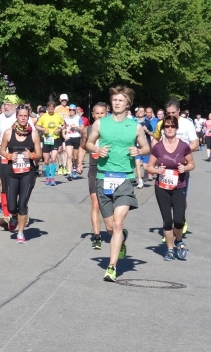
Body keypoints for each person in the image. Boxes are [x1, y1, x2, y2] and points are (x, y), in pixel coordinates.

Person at [86, 86, 150, 282]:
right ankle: (121, 238)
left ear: (128, 103)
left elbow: (146, 148)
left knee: (118, 223)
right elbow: (88, 143)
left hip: (125, 178)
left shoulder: (135, 126)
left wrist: (139, 151)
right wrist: (97, 149)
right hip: (104, 177)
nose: (116, 103)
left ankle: (111, 267)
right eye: (114, 100)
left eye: (121, 100)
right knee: (109, 227)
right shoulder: (100, 123)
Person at [144, 115, 194, 261]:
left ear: (176, 128)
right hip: (162, 187)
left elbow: (192, 164)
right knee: (167, 221)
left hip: (179, 186)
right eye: (167, 126)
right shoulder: (158, 147)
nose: (170, 128)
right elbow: (149, 167)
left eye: (172, 126)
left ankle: (179, 240)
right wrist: (156, 171)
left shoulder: (183, 146)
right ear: (163, 129)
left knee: (178, 220)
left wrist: (185, 168)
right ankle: (170, 249)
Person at [0, 106, 42, 243]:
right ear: (16, 117)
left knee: (22, 204)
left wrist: (32, 155)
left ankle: (20, 233)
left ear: (28, 117)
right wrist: (8, 155)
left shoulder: (33, 134)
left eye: (25, 116)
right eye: (21, 116)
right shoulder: (8, 133)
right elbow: (2, 150)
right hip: (11, 173)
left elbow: (39, 155)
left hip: (28, 173)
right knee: (12, 206)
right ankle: (13, 217)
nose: (23, 118)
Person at [78, 102, 108, 249]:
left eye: (102, 113)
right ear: (93, 115)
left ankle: (113, 229)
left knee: (110, 204)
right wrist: (79, 163)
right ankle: (96, 235)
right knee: (95, 203)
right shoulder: (87, 130)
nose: (99, 116)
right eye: (97, 113)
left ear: (107, 114)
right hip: (94, 169)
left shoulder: (112, 130)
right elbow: (82, 147)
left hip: (110, 169)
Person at [36, 101, 64, 186]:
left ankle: (52, 177)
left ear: (54, 108)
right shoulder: (43, 117)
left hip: (55, 139)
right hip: (46, 139)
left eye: (52, 109)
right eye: (49, 109)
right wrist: (43, 130)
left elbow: (63, 125)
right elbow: (37, 126)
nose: (51, 110)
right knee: (46, 160)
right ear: (47, 108)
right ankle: (48, 177)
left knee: (54, 158)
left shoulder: (58, 116)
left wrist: (59, 129)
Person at [63, 104, 85, 181]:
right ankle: (69, 173)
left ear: (75, 111)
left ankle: (74, 169)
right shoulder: (66, 118)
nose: (71, 111)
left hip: (77, 137)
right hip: (69, 138)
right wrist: (64, 135)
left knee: (75, 157)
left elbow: (82, 128)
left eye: (73, 110)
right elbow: (64, 128)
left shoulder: (78, 118)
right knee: (69, 156)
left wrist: (76, 127)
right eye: (70, 110)